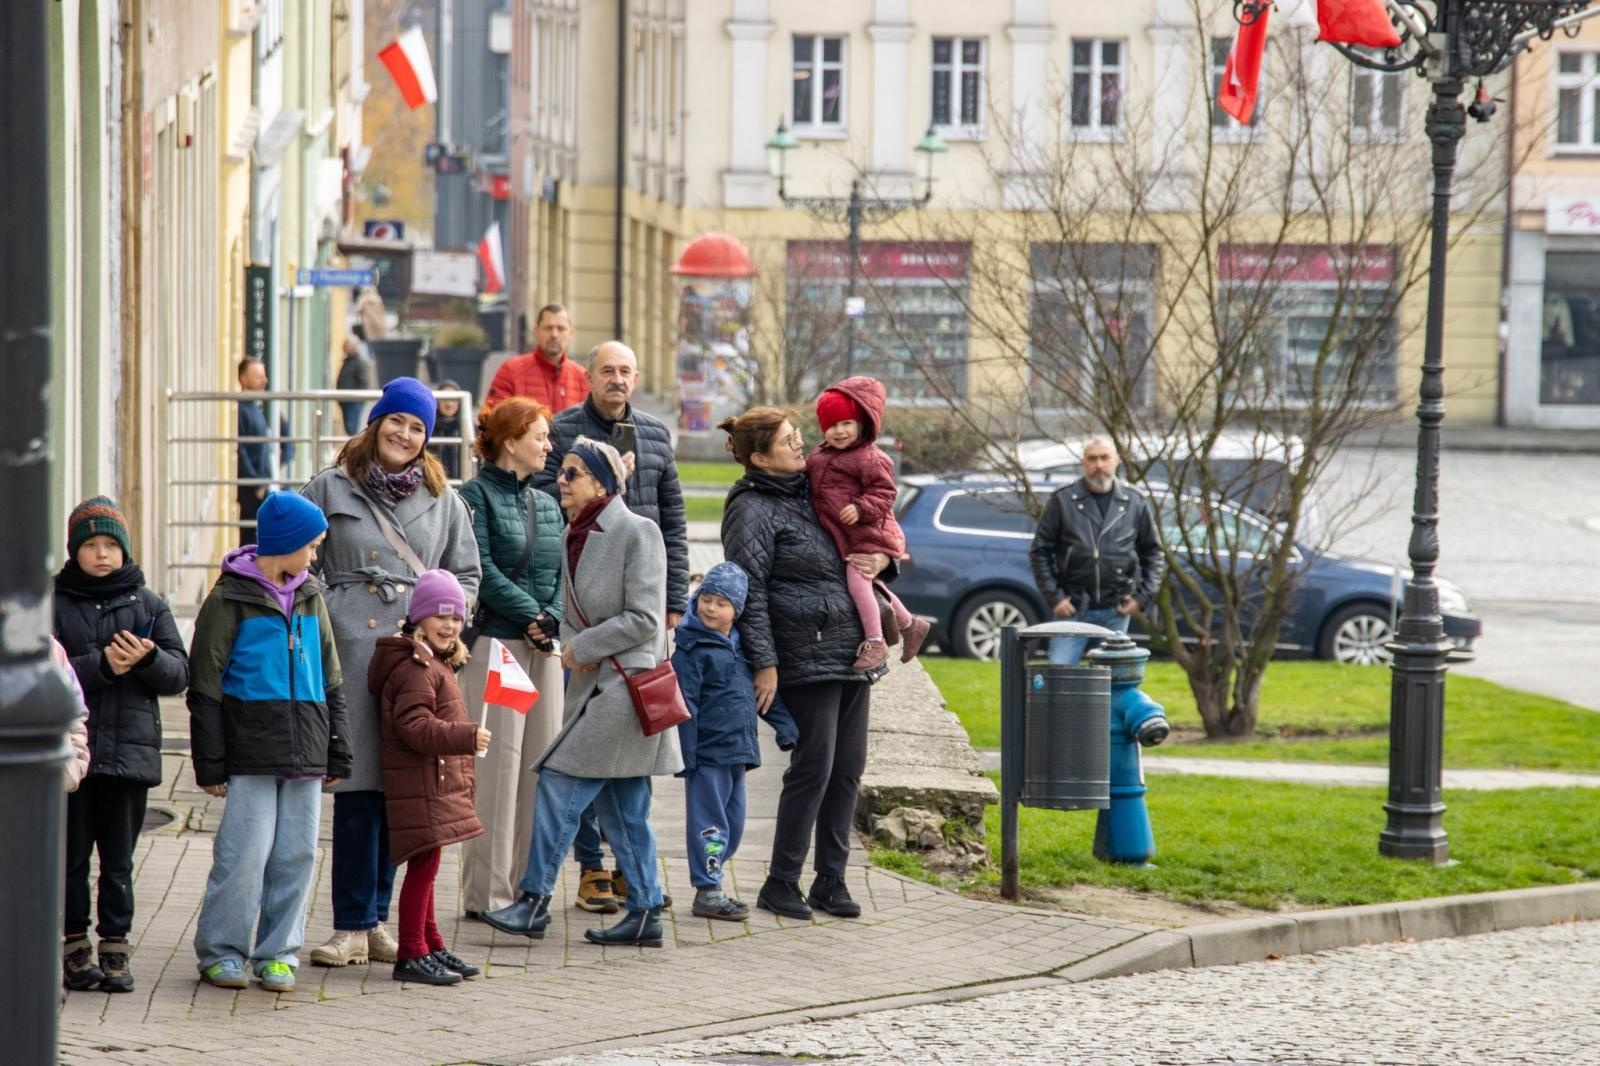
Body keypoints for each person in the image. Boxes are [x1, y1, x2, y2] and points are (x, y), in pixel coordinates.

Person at [299, 376, 482, 969]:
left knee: (398, 790)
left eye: (418, 427)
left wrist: (445, 625)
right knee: (356, 790)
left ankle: (379, 921)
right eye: (397, 421)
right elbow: (294, 561)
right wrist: (328, 610)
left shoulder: (445, 499)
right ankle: (351, 923)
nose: (405, 434)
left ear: (428, 438)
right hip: (348, 655)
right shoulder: (329, 487)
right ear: (377, 422)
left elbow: (467, 576)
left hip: (412, 662)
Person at [481, 437, 682, 948]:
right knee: (623, 808)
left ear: (602, 481)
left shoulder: (639, 532)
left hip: (626, 688)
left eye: (571, 473)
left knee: (559, 780)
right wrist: (568, 640)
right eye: (561, 473)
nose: (560, 482)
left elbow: (645, 618)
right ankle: (645, 911)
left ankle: (534, 900)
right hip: (599, 685)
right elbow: (578, 616)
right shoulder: (578, 533)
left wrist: (580, 647)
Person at [718, 407, 894, 922]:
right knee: (813, 768)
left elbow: (869, 537)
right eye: (788, 441)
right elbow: (747, 594)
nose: (801, 446)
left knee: (847, 769)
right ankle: (780, 881)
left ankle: (831, 880)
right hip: (803, 654)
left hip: (851, 650)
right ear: (758, 457)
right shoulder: (750, 509)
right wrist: (765, 665)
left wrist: (886, 561)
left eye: (799, 437)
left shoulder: (816, 490)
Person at [533, 340, 689, 912]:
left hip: (638, 610)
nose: (617, 380)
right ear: (589, 377)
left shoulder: (654, 433)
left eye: (626, 371)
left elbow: (671, 518)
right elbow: (546, 502)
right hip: (588, 605)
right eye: (607, 371)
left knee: (621, 766)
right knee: (581, 756)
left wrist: (674, 597)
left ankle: (632, 878)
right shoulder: (566, 430)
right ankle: (592, 869)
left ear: (636, 376)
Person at [188, 493, 352, 993]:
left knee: (296, 856)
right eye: (313, 546)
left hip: (306, 749)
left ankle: (279, 953)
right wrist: (210, 764)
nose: (316, 556)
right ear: (286, 544)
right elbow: (205, 687)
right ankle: (222, 951)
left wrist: (337, 747)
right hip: (251, 753)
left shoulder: (312, 597)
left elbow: (331, 680)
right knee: (243, 854)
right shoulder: (227, 600)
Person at [53, 497, 190, 994]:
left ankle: (115, 947)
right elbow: (42, 674)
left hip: (130, 755)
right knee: (70, 859)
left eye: (112, 544)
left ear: (125, 549)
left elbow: (179, 674)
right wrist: (104, 667)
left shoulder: (148, 603)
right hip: (73, 757)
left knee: (119, 862)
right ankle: (74, 947)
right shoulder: (52, 603)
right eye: (91, 544)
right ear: (75, 549)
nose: (103, 554)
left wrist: (150, 659)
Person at [456, 397, 567, 917]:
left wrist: (553, 618)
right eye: (541, 436)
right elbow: (481, 569)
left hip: (542, 649)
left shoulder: (546, 502)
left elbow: (562, 572)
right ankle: (488, 895)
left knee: (539, 771)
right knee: (498, 776)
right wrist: (530, 615)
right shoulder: (474, 496)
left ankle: (527, 890)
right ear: (510, 440)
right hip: (499, 648)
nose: (549, 445)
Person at [371, 569, 488, 986]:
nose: (450, 625)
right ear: (419, 616)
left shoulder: (433, 662)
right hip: (421, 783)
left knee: (430, 863)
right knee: (423, 867)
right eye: (440, 616)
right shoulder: (416, 667)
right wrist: (467, 736)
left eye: (456, 617)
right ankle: (411, 952)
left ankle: (431, 942)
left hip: (431, 783)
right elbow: (414, 726)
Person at [671, 561, 797, 921]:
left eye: (721, 603)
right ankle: (707, 890)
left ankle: (713, 876)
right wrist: (686, 756)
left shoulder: (741, 648)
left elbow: (762, 695)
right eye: (705, 599)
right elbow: (686, 707)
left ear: (736, 611)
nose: (710, 607)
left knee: (734, 826)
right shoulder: (691, 651)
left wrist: (786, 728)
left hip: (737, 755)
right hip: (707, 757)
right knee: (710, 824)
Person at [807, 377, 932, 674]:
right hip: (849, 535)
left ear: (861, 423)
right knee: (868, 580)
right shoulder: (821, 455)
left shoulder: (870, 458)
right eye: (831, 425)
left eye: (845, 423)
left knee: (857, 579)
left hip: (869, 532)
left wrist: (861, 508)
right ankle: (909, 624)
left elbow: (886, 493)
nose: (838, 431)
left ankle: (875, 641)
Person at [1027, 435, 1165, 665]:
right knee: (1060, 676)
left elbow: (1153, 553)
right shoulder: (1063, 501)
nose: (1099, 464)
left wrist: (1142, 597)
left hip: (1116, 609)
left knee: (1113, 683)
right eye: (1092, 458)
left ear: (1117, 460)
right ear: (1083, 462)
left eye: (1104, 458)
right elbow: (1040, 551)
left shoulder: (1134, 502)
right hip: (1071, 609)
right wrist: (1055, 597)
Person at [485, 303, 589, 412]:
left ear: (571, 334)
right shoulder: (511, 371)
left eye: (561, 328)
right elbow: (492, 417)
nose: (554, 334)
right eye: (548, 328)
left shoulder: (583, 379)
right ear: (536, 332)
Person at [236, 358, 293, 546]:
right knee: (251, 541)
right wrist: (256, 483)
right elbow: (240, 450)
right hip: (251, 490)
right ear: (243, 379)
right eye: (259, 376)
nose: (265, 380)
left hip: (260, 486)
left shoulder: (254, 406)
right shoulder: (241, 409)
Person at [336, 335, 378, 437]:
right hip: (345, 400)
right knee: (348, 426)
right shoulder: (349, 361)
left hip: (353, 401)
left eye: (347, 345)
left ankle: (353, 449)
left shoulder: (359, 362)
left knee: (352, 427)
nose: (344, 347)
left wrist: (355, 398)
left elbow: (364, 382)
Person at [428, 380, 466, 481]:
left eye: (453, 400)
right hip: (434, 485)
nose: (449, 404)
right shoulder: (428, 427)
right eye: (445, 399)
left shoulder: (467, 428)